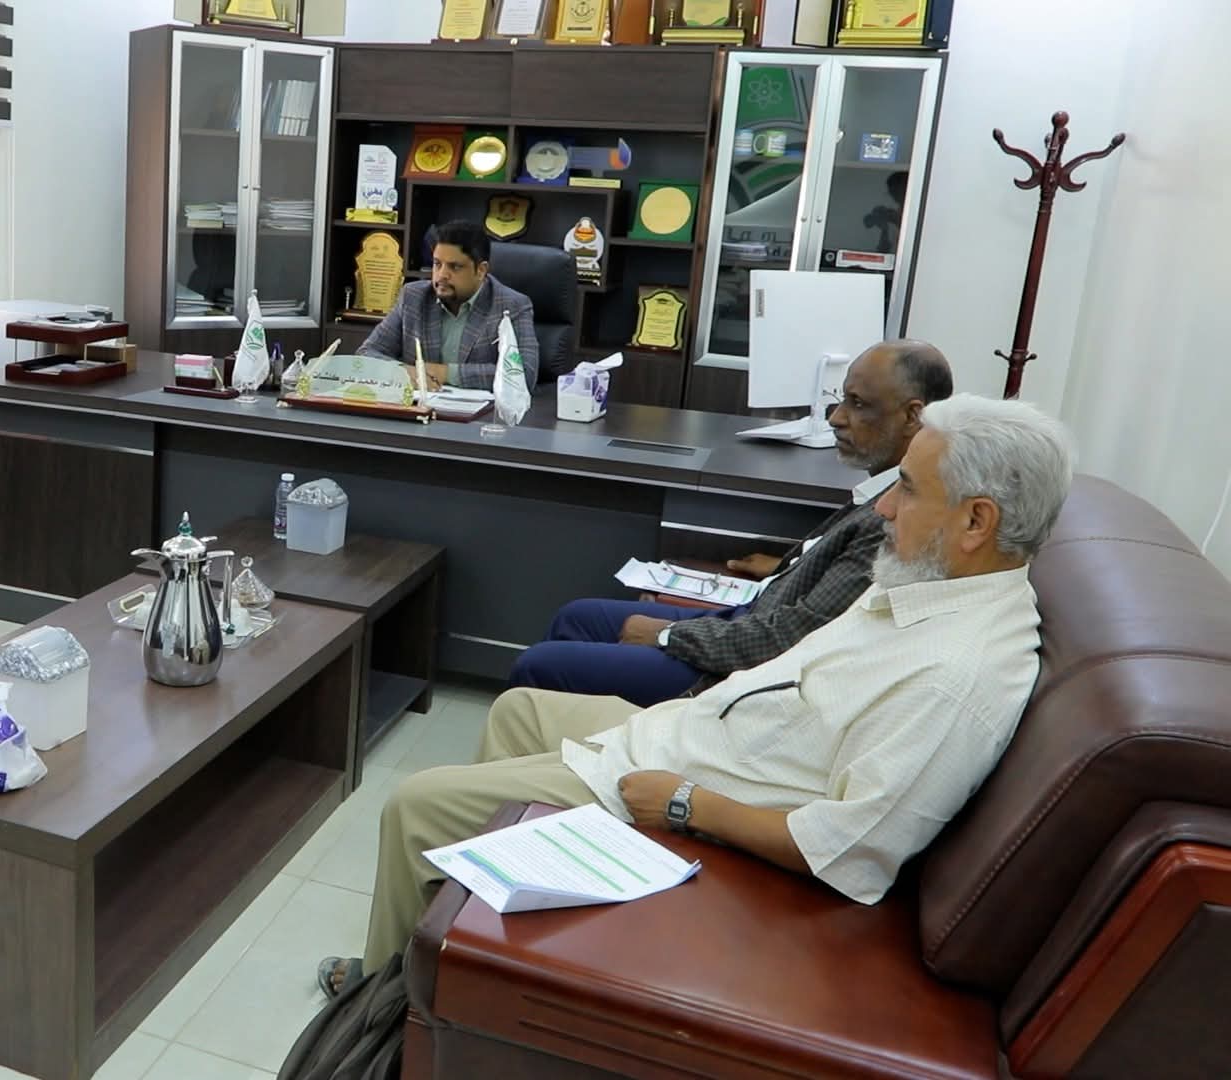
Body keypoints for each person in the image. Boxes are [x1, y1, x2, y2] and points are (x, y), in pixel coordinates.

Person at [319, 393, 1074, 994]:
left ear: (976, 521)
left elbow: (847, 850)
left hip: (688, 798)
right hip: (703, 736)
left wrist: (685, 803)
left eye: (906, 489)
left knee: (416, 805)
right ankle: (467, 947)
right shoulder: (930, 587)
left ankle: (384, 1006)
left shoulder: (955, 677)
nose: (882, 508)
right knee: (521, 709)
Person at [509, 341, 953, 706]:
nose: (837, 417)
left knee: (540, 665)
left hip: (743, 673)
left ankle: (557, 765)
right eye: (842, 399)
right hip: (750, 618)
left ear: (912, 416)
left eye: (857, 405)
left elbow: (794, 638)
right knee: (577, 617)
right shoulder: (883, 487)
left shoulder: (897, 516)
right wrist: (792, 565)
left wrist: (668, 636)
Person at [355, 221, 540, 393]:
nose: (442, 274)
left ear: (481, 270)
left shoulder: (511, 305)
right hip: (420, 409)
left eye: (455, 267)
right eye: (437, 264)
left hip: (479, 415)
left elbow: (524, 374)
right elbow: (366, 354)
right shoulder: (413, 297)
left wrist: (446, 373)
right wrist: (402, 371)